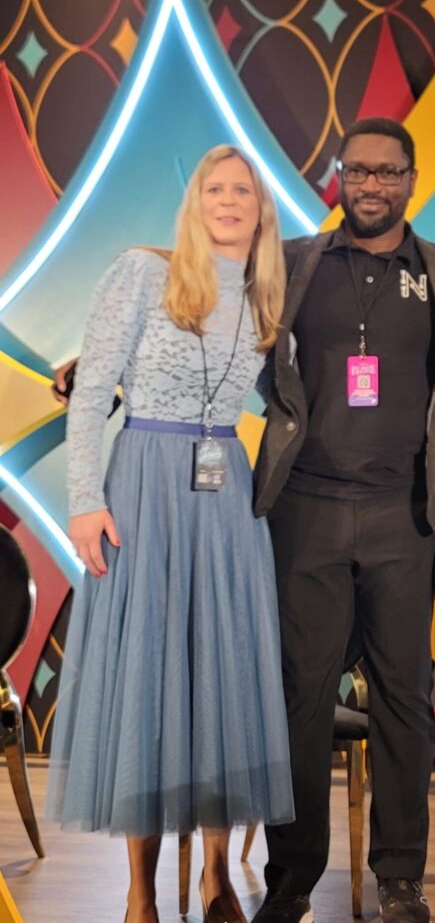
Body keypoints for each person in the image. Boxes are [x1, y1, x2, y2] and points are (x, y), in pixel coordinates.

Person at [46, 144, 294, 923]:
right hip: (143, 487)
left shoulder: (266, 296)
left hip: (225, 499)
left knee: (221, 674)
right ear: (195, 202)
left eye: (242, 190)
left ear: (261, 209)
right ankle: (139, 893)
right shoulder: (141, 272)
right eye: (214, 188)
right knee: (146, 679)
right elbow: (91, 392)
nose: (228, 201)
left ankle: (218, 878)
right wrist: (84, 501)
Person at [251, 118, 435, 923]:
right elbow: (206, 318)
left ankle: (401, 876)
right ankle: (292, 878)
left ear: (412, 179)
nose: (372, 184)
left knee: (404, 699)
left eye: (387, 172)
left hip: (404, 516)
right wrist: (99, 367)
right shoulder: (294, 262)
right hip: (305, 509)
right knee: (300, 699)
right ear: (338, 177)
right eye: (358, 170)